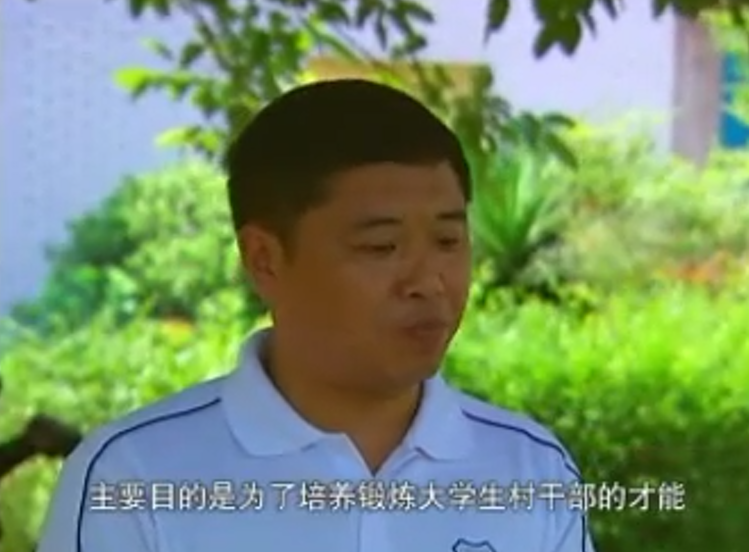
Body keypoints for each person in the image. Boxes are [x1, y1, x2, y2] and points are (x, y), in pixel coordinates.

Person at [37, 79, 595, 552]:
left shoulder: (531, 468)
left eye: (449, 240)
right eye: (382, 247)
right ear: (265, 259)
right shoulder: (130, 477)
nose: (428, 282)